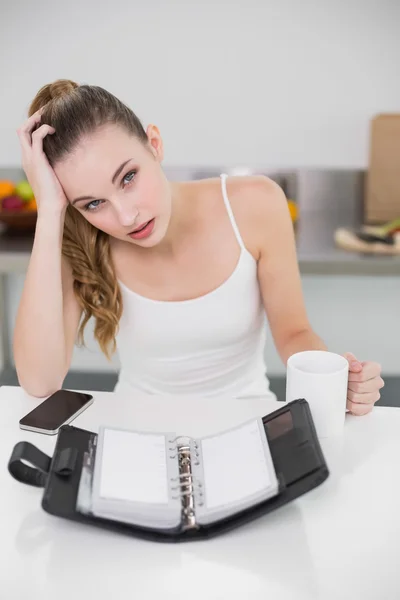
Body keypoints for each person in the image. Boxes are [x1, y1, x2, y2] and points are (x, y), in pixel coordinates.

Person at [13, 79, 384, 414]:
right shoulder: (82, 240)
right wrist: (49, 209)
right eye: (93, 203)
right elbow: (40, 382)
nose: (126, 217)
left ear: (154, 144)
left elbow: (294, 333)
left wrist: (335, 378)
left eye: (128, 177)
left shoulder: (256, 203)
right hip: (138, 428)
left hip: (248, 419)